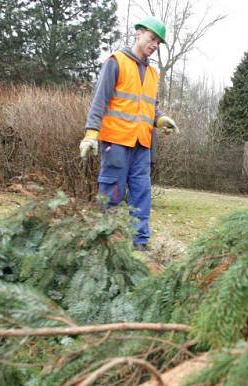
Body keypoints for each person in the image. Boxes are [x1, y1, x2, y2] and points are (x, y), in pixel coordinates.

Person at [79, 16, 179, 251]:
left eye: (158, 42)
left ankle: (139, 242)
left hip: (142, 145)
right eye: (152, 38)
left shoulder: (154, 74)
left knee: (142, 194)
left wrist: (161, 119)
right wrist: (91, 134)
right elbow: (99, 101)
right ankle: (105, 240)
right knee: (111, 192)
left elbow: (150, 107)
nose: (154, 44)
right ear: (138, 33)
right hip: (116, 142)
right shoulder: (117, 62)